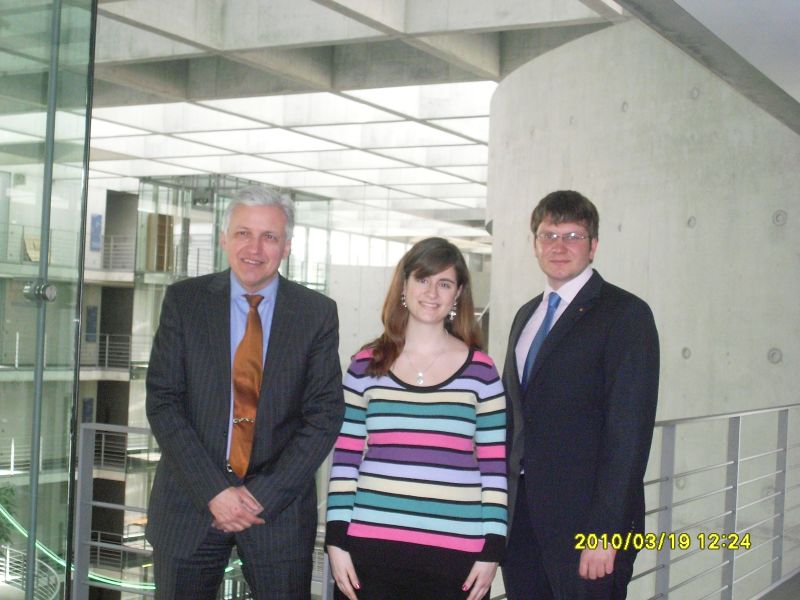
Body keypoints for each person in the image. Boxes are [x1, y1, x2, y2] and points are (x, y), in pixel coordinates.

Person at [145, 186, 344, 599]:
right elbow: (164, 401)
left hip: (278, 515)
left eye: (269, 236)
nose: (254, 248)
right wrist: (214, 492)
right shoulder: (185, 302)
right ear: (224, 239)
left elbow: (324, 415)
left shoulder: (316, 313)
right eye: (242, 233)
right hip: (189, 505)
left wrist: (259, 497)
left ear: (286, 246)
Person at [325, 237, 507, 600]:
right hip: (371, 548)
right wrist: (336, 539)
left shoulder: (482, 373)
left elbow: (494, 466)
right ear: (404, 285)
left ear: (458, 295)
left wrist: (493, 548)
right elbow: (345, 459)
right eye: (423, 279)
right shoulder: (364, 366)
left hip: (457, 555)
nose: (432, 292)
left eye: (445, 283)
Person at [502, 190, 660, 600]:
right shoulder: (526, 315)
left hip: (587, 525)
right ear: (535, 243)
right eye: (548, 234)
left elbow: (630, 433)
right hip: (521, 520)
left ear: (593, 246)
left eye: (572, 235)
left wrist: (604, 531)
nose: (558, 245)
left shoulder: (626, 314)